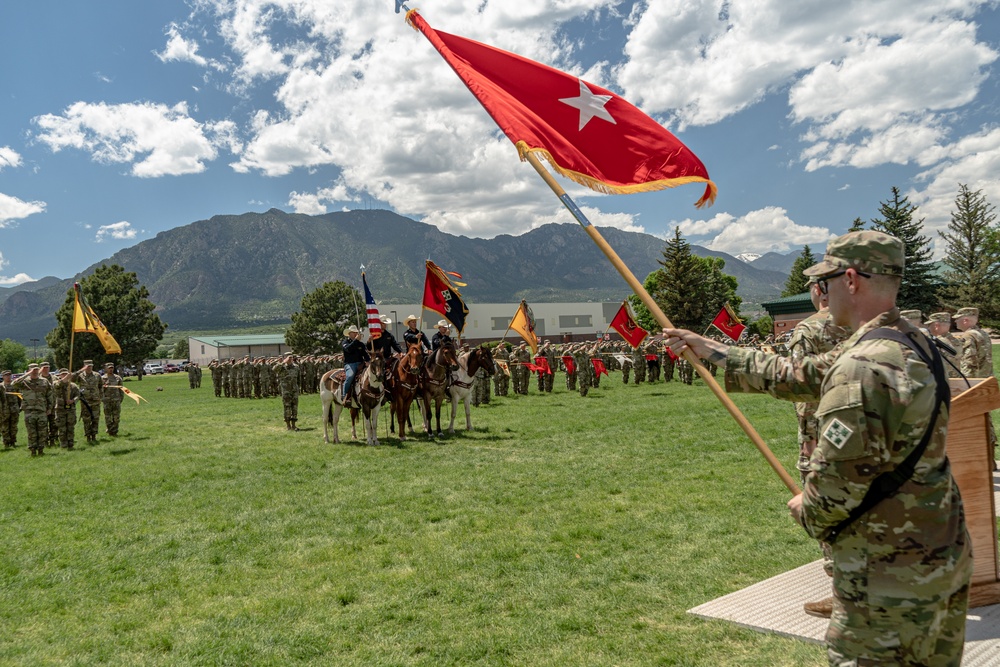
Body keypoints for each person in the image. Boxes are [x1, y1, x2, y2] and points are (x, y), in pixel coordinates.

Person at [663, 231, 972, 666]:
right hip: (936, 552)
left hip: (888, 576)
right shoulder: (905, 339)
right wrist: (712, 350)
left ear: (850, 280)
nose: (821, 295)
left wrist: (806, 506)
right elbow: (801, 372)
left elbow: (836, 489)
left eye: (824, 283)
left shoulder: (864, 365)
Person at [787, 276, 851, 618]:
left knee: (823, 504)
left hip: (820, 431)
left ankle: (842, 591)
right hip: (860, 430)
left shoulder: (808, 330)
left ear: (816, 291)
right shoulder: (862, 323)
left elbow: (799, 383)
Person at [12, 363, 53, 457]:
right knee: (31, 432)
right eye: (32, 370)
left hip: (41, 410)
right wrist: (26, 374)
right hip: (29, 411)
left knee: (42, 431)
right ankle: (33, 450)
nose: (35, 372)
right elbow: (13, 384)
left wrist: (50, 408)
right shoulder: (24, 382)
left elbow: (50, 395)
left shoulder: (44, 381)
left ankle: (41, 450)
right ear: (29, 370)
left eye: (36, 370)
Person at [73, 360, 103, 444]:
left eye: (90, 366)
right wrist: (80, 370)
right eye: (87, 366)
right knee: (86, 419)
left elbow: (101, 386)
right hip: (85, 401)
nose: (89, 368)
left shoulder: (97, 375)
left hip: (95, 400)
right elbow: (71, 379)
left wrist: (100, 396)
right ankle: (88, 435)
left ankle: (94, 435)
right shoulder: (80, 375)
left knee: (95, 418)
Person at [341, 325, 371, 404]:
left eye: (356, 333)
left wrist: (368, 361)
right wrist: (356, 341)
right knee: (350, 376)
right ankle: (345, 395)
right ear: (349, 334)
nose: (356, 334)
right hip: (350, 364)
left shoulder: (361, 344)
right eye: (354, 333)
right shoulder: (345, 342)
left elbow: (365, 354)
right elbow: (348, 349)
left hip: (361, 364)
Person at [52, 369, 81, 450]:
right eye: (63, 374)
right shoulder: (57, 384)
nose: (65, 376)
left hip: (71, 409)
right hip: (60, 409)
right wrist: (65, 378)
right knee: (62, 428)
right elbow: (56, 385)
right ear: (60, 375)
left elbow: (78, 395)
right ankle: (63, 444)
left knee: (70, 427)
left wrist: (73, 401)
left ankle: (70, 443)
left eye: (66, 374)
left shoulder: (73, 386)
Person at [273, 353, 300, 430]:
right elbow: (274, 369)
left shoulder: (296, 367)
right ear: (284, 358)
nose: (290, 359)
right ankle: (288, 425)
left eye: (291, 357)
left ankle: (294, 425)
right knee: (287, 407)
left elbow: (299, 379)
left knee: (294, 407)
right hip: (286, 390)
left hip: (294, 390)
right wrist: (283, 362)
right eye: (289, 357)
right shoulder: (281, 366)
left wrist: (299, 389)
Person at [102, 363, 124, 436]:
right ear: (106, 368)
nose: (111, 369)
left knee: (116, 417)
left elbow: (121, 389)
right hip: (107, 400)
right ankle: (110, 430)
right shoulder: (102, 378)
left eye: (112, 368)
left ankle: (114, 431)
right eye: (109, 368)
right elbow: (99, 390)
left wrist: (120, 399)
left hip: (116, 400)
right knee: (108, 417)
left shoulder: (118, 378)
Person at [2, 370, 20, 448]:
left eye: (9, 375)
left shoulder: (14, 385)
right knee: (4, 426)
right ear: (3, 377)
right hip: (4, 410)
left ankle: (13, 441)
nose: (8, 376)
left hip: (14, 409)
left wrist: (20, 406)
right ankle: (6, 442)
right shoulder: (1, 386)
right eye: (6, 375)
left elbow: (20, 396)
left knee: (13, 426)